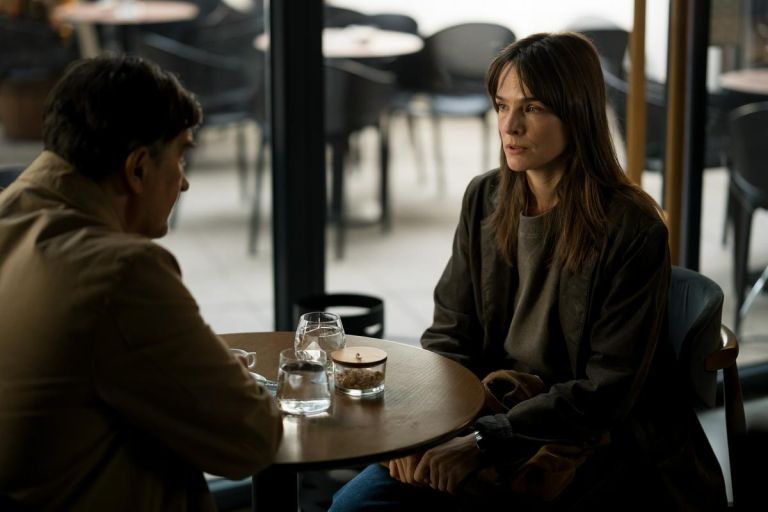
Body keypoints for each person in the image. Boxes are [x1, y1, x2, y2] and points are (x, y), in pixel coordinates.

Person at [330, 32, 726, 511]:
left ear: (577, 114)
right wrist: (427, 425)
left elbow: (606, 391)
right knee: (352, 505)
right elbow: (450, 334)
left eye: (533, 108)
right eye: (502, 105)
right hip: (486, 412)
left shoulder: (632, 226)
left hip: (583, 438)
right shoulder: (485, 198)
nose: (509, 126)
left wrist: (485, 441)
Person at [0, 55, 282, 510]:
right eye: (181, 155)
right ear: (137, 169)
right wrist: (231, 381)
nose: (184, 183)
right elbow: (253, 439)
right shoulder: (120, 273)